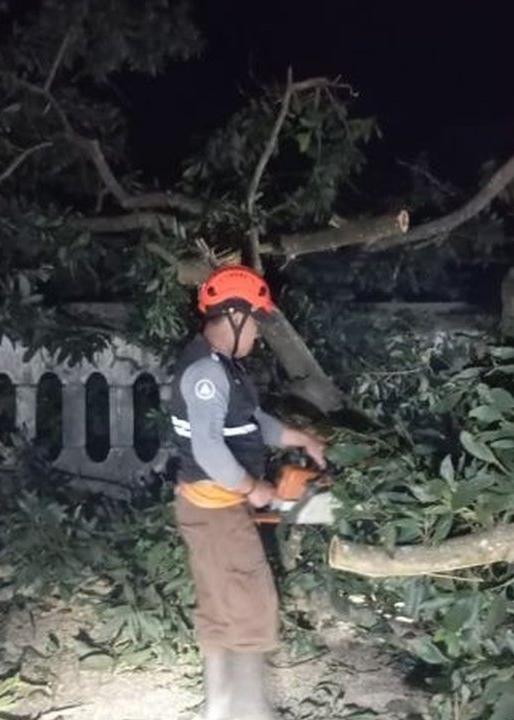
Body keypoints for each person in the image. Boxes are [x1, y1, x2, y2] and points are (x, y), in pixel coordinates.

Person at [168, 265, 328, 720]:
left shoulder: (223, 369)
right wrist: (254, 488)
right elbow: (208, 448)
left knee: (220, 615)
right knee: (253, 610)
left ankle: (219, 712)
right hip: (217, 511)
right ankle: (253, 713)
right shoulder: (207, 374)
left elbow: (251, 424)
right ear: (235, 317)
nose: (258, 333)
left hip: (209, 509)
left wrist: (301, 439)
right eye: (256, 322)